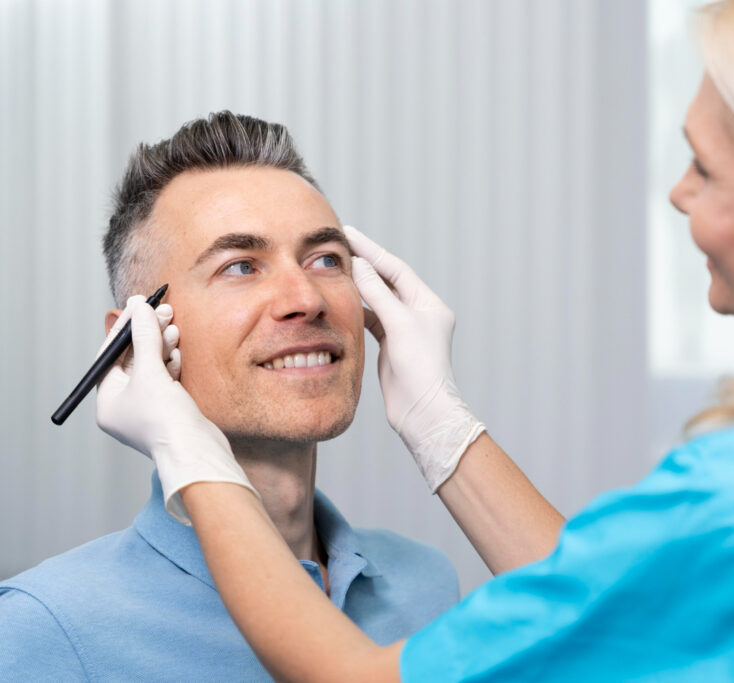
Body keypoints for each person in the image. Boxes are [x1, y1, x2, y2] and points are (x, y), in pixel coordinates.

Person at [96, 0, 734, 680]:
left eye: (704, 168)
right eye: (241, 264)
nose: (678, 194)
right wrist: (442, 426)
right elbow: (631, 616)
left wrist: (189, 452)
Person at [0, 113, 462, 680]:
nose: (306, 298)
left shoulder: (429, 586)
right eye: (241, 266)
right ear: (135, 342)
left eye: (325, 259)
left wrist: (446, 425)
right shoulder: (44, 630)